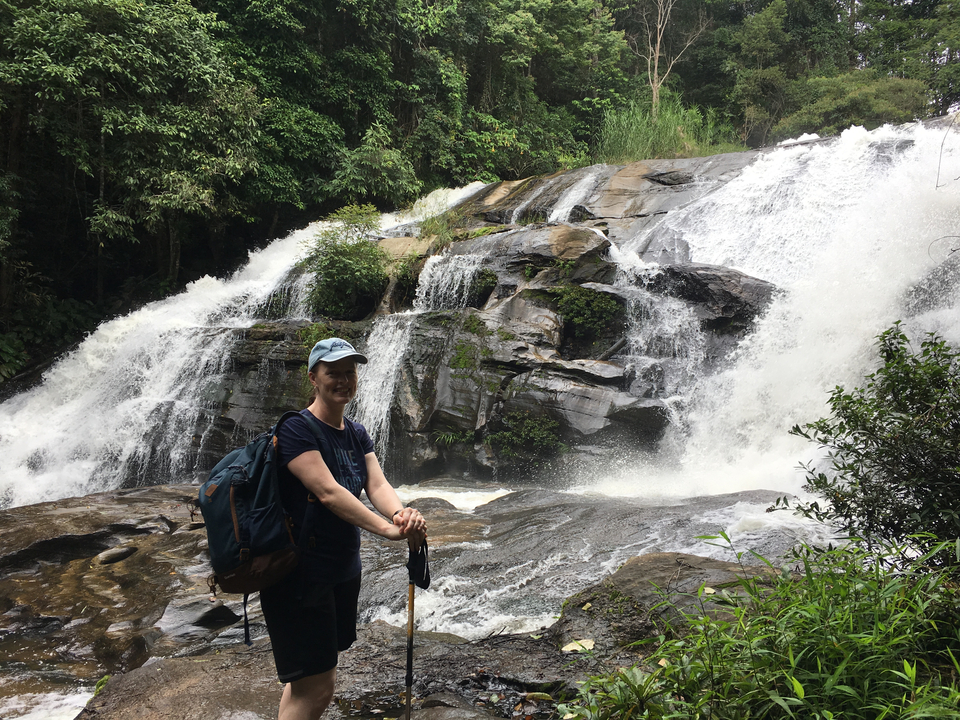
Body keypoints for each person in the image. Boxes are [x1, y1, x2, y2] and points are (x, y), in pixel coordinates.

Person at [260, 337, 427, 720]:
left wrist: (400, 514)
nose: (343, 380)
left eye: (349, 372)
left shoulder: (356, 432)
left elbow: (377, 485)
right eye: (332, 372)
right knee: (318, 688)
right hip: (301, 575)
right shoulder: (295, 430)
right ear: (313, 378)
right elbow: (329, 492)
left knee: (306, 678)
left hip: (340, 569)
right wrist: (387, 531)